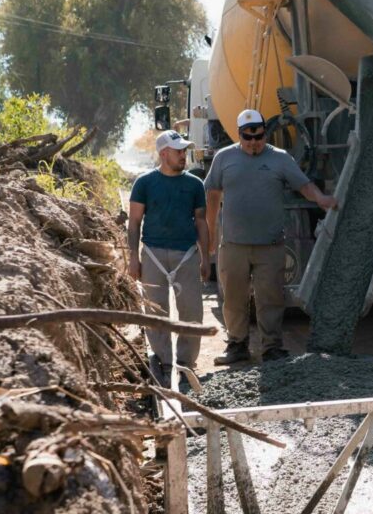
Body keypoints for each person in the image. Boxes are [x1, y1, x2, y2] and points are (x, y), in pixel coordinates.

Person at [205, 109, 338, 364]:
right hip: (234, 244)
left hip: (270, 245)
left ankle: (272, 347)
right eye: (248, 137)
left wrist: (320, 198)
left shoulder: (280, 158)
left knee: (271, 298)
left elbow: (303, 185)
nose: (254, 143)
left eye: (259, 137)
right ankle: (237, 345)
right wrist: (211, 234)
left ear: (265, 132)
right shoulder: (224, 158)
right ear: (239, 134)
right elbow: (212, 196)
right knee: (234, 298)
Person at [127, 130, 210, 386]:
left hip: (186, 255)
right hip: (153, 255)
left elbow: (201, 221)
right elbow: (134, 223)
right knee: (156, 312)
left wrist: (206, 257)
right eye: (178, 151)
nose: (183, 155)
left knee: (192, 313)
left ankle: (186, 365)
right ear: (164, 154)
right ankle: (163, 362)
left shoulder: (194, 185)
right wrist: (132, 258)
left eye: (184, 151)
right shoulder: (144, 183)